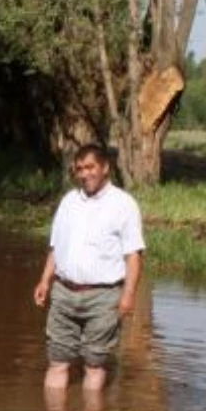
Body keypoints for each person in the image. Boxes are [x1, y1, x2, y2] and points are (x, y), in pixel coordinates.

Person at [32, 144, 145, 391]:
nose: (85, 174)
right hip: (63, 293)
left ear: (105, 168)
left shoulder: (124, 204)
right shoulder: (69, 202)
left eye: (90, 167)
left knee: (94, 365)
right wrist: (44, 281)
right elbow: (55, 247)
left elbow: (133, 255)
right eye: (80, 169)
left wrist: (128, 296)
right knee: (57, 362)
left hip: (104, 297)